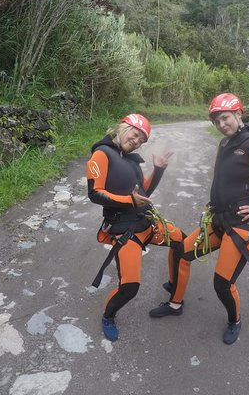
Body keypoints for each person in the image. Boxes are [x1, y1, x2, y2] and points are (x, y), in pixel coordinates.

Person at [149, 93, 249, 345]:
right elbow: (221, 178)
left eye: (225, 118)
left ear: (239, 114)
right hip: (218, 218)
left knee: (222, 283)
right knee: (182, 253)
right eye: (216, 121)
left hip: (240, 225)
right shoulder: (224, 144)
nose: (221, 124)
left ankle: (234, 320)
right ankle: (175, 304)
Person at [86, 113, 184, 342]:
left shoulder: (131, 160)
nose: (137, 140)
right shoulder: (102, 154)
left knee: (183, 243)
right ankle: (108, 316)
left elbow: (143, 194)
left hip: (146, 222)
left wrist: (158, 170)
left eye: (142, 139)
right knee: (130, 287)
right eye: (135, 134)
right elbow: (95, 193)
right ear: (123, 127)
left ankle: (174, 286)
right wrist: (129, 201)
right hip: (125, 231)